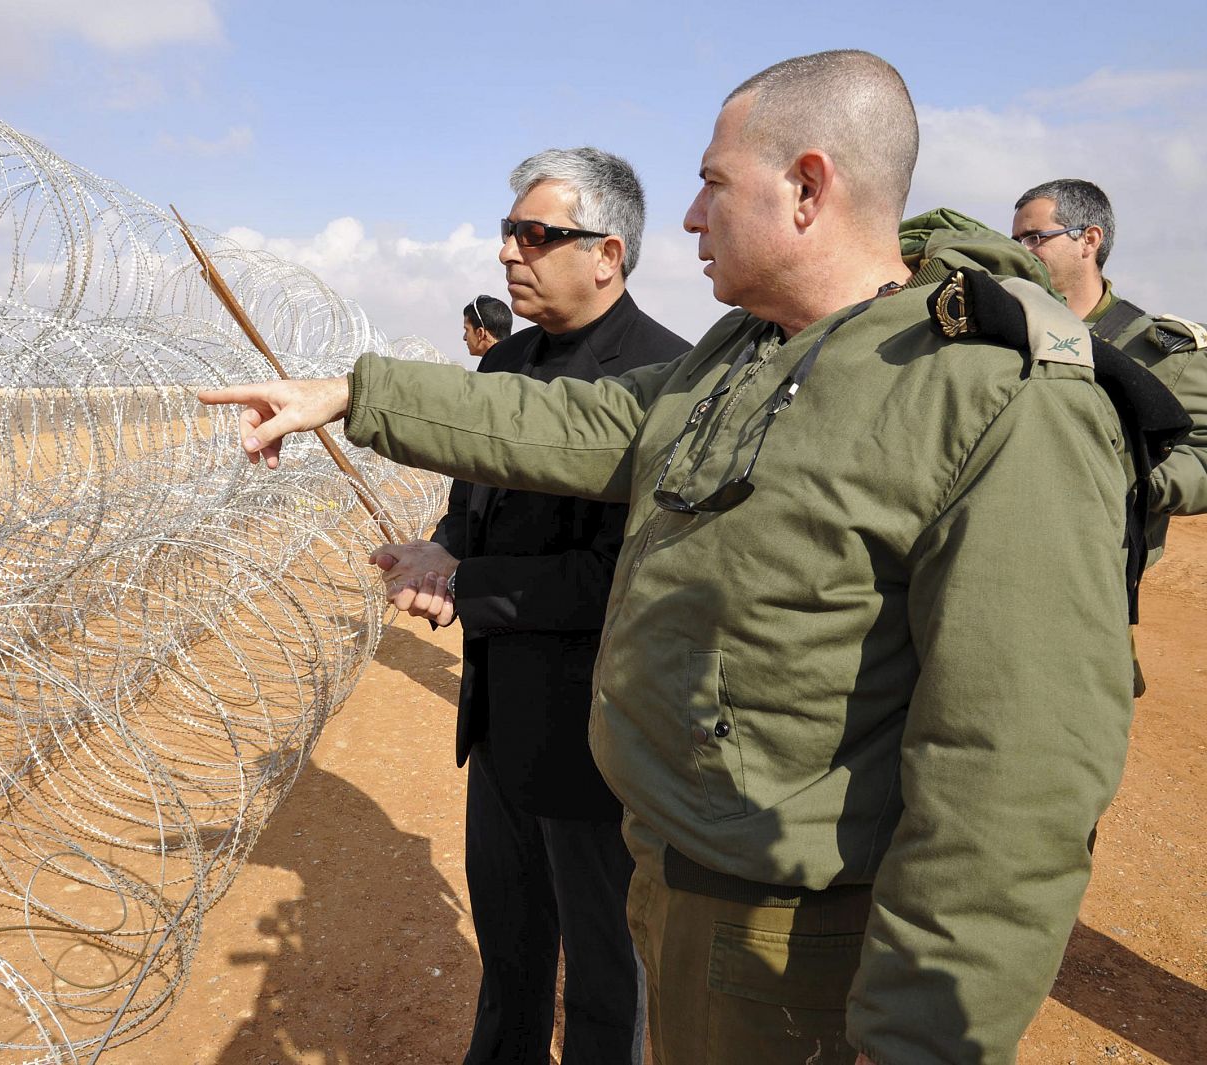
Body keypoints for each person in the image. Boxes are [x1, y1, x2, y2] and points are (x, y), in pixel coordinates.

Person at [202, 51, 1136, 1065]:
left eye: (712, 182)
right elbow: (582, 419)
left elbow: (1016, 767)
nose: (689, 217)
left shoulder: (997, 398)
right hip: (677, 871)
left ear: (807, 188)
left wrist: (922, 1036)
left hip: (799, 942)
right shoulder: (747, 354)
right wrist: (353, 394)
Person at [375, 147, 690, 1065]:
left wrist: (466, 590)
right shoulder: (505, 361)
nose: (511, 251)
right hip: (503, 723)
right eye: (508, 232)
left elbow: (615, 576)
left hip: (599, 742)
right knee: (510, 957)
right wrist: (444, 547)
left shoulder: (665, 376)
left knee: (605, 977)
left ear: (608, 252)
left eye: (537, 234)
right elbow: (478, 502)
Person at [1010, 178, 1207, 569]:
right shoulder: (1012, 330)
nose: (1022, 252)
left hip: (1095, 581)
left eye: (1034, 238)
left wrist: (1122, 475)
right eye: (1015, 240)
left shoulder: (1162, 352)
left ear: (1089, 239)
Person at [462, 293, 512, 359]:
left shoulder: (492, 365)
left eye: (467, 330)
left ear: (480, 333)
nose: (464, 338)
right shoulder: (518, 359)